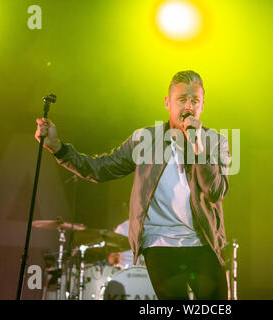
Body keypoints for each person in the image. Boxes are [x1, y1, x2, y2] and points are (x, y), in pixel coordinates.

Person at [35, 70, 231, 300]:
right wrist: (58, 148)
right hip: (160, 245)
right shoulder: (144, 139)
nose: (188, 106)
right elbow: (100, 169)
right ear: (167, 102)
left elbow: (216, 191)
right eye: (181, 99)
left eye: (194, 100)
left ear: (203, 106)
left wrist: (198, 144)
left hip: (203, 243)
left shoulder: (216, 141)